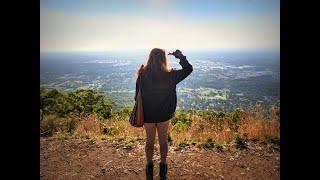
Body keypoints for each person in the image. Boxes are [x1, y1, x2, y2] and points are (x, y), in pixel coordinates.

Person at [135, 48, 193, 180]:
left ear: (150, 58)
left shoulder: (142, 74)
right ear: (164, 59)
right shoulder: (170, 75)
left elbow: (137, 96)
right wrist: (180, 57)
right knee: (163, 141)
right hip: (164, 115)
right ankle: (163, 165)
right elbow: (188, 70)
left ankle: (149, 166)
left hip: (148, 115)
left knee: (149, 141)